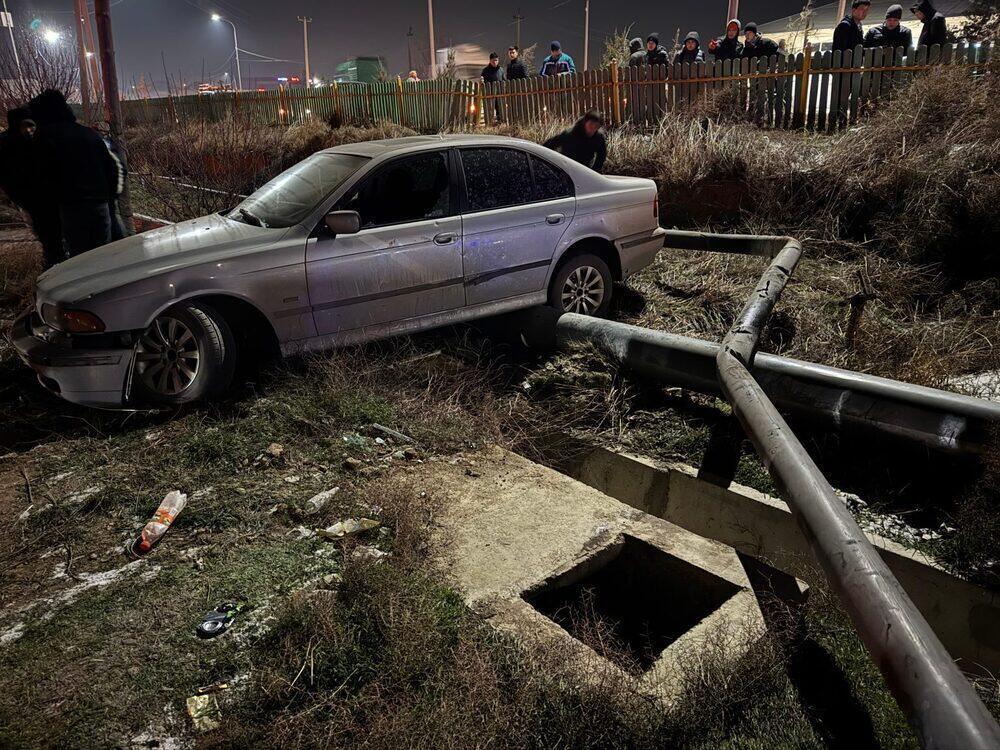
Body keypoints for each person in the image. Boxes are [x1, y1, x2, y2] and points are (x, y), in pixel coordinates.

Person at [29, 89, 120, 258]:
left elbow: (41, 177)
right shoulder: (88, 134)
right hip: (100, 205)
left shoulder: (44, 137)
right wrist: (109, 197)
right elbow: (111, 168)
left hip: (71, 208)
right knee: (105, 255)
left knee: (81, 259)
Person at [0, 108, 64, 268]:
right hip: (36, 202)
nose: (29, 130)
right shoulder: (10, 145)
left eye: (31, 125)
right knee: (51, 243)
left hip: (48, 200)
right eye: (25, 126)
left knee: (54, 242)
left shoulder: (41, 140)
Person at [93, 120, 128, 241]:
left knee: (112, 223)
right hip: (106, 193)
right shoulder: (103, 143)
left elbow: (120, 167)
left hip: (106, 194)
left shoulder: (102, 144)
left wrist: (114, 192)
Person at [481, 52, 505, 123]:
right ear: (490, 60)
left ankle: (500, 123)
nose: (495, 62)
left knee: (500, 110)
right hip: (489, 95)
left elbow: (504, 80)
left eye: (496, 60)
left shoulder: (501, 70)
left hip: (499, 94)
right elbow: (482, 81)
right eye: (494, 60)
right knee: (489, 111)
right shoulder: (485, 70)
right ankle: (490, 124)